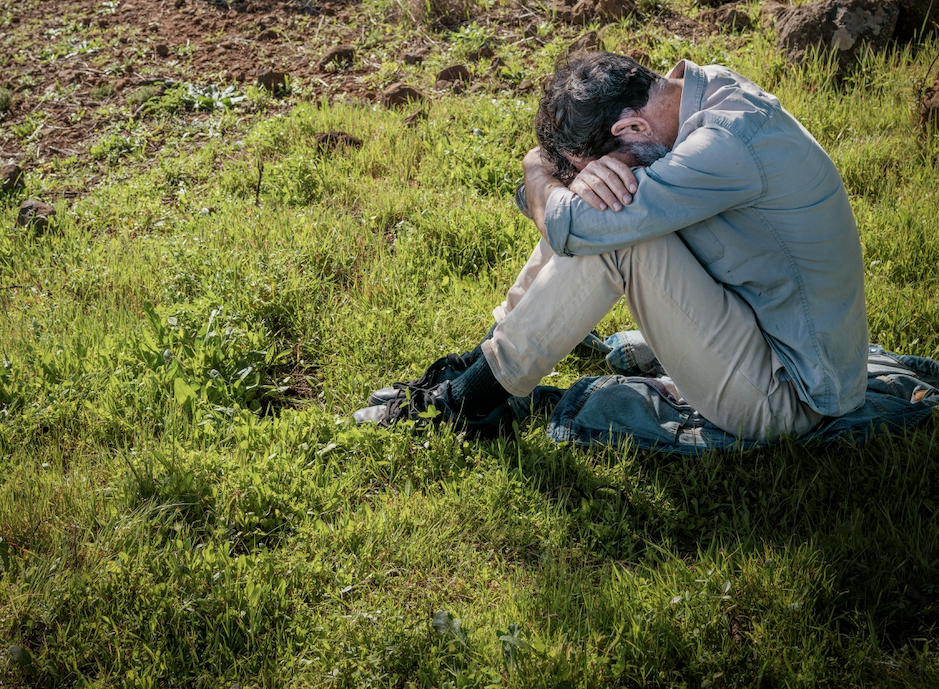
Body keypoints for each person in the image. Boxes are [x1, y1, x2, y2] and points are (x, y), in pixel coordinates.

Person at [359, 51, 869, 442]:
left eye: (597, 163)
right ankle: (484, 365)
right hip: (761, 327)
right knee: (605, 207)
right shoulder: (694, 91)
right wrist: (569, 183)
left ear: (631, 127)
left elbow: (576, 226)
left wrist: (536, 169)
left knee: (609, 227)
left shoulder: (723, 146)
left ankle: (468, 401)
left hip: (792, 397)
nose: (598, 177)